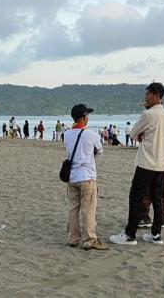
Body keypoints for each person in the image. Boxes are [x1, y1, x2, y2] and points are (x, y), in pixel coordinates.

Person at [110, 82, 164, 246]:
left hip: (146, 163)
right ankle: (156, 234)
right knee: (157, 198)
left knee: (135, 197)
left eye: (148, 94)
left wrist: (141, 135)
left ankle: (130, 234)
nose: (146, 97)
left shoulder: (148, 114)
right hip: (160, 163)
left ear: (157, 96)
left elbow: (134, 132)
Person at [64, 104, 108, 250]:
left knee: (73, 209)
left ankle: (73, 238)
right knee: (88, 209)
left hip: (72, 177)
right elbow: (100, 152)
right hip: (87, 176)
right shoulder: (92, 134)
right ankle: (90, 239)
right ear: (84, 118)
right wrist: (89, 156)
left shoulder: (67, 134)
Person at [138, 124, 164, 229]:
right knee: (160, 193)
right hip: (159, 163)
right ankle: (156, 220)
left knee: (152, 192)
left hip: (154, 163)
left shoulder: (154, 123)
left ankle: (149, 218)